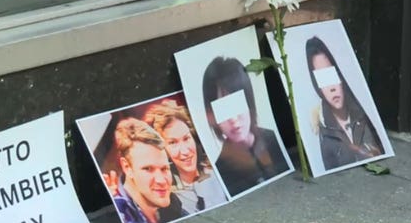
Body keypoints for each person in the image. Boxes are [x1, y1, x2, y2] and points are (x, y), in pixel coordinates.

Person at [202, 57, 290, 197]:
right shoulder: (221, 171)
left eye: (236, 104)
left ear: (248, 100)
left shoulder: (276, 140)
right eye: (223, 110)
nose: (233, 119)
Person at [305, 36, 384, 170]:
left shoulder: (362, 115)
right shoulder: (323, 132)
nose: (331, 87)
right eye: (323, 79)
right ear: (317, 86)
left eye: (330, 75)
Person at [143, 99, 228, 213]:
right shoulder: (164, 196)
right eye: (173, 143)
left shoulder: (217, 171)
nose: (184, 151)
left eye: (186, 138)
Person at [111, 117, 185, 223]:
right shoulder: (125, 218)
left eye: (165, 168)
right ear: (127, 167)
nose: (161, 180)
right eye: (148, 169)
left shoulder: (173, 206)